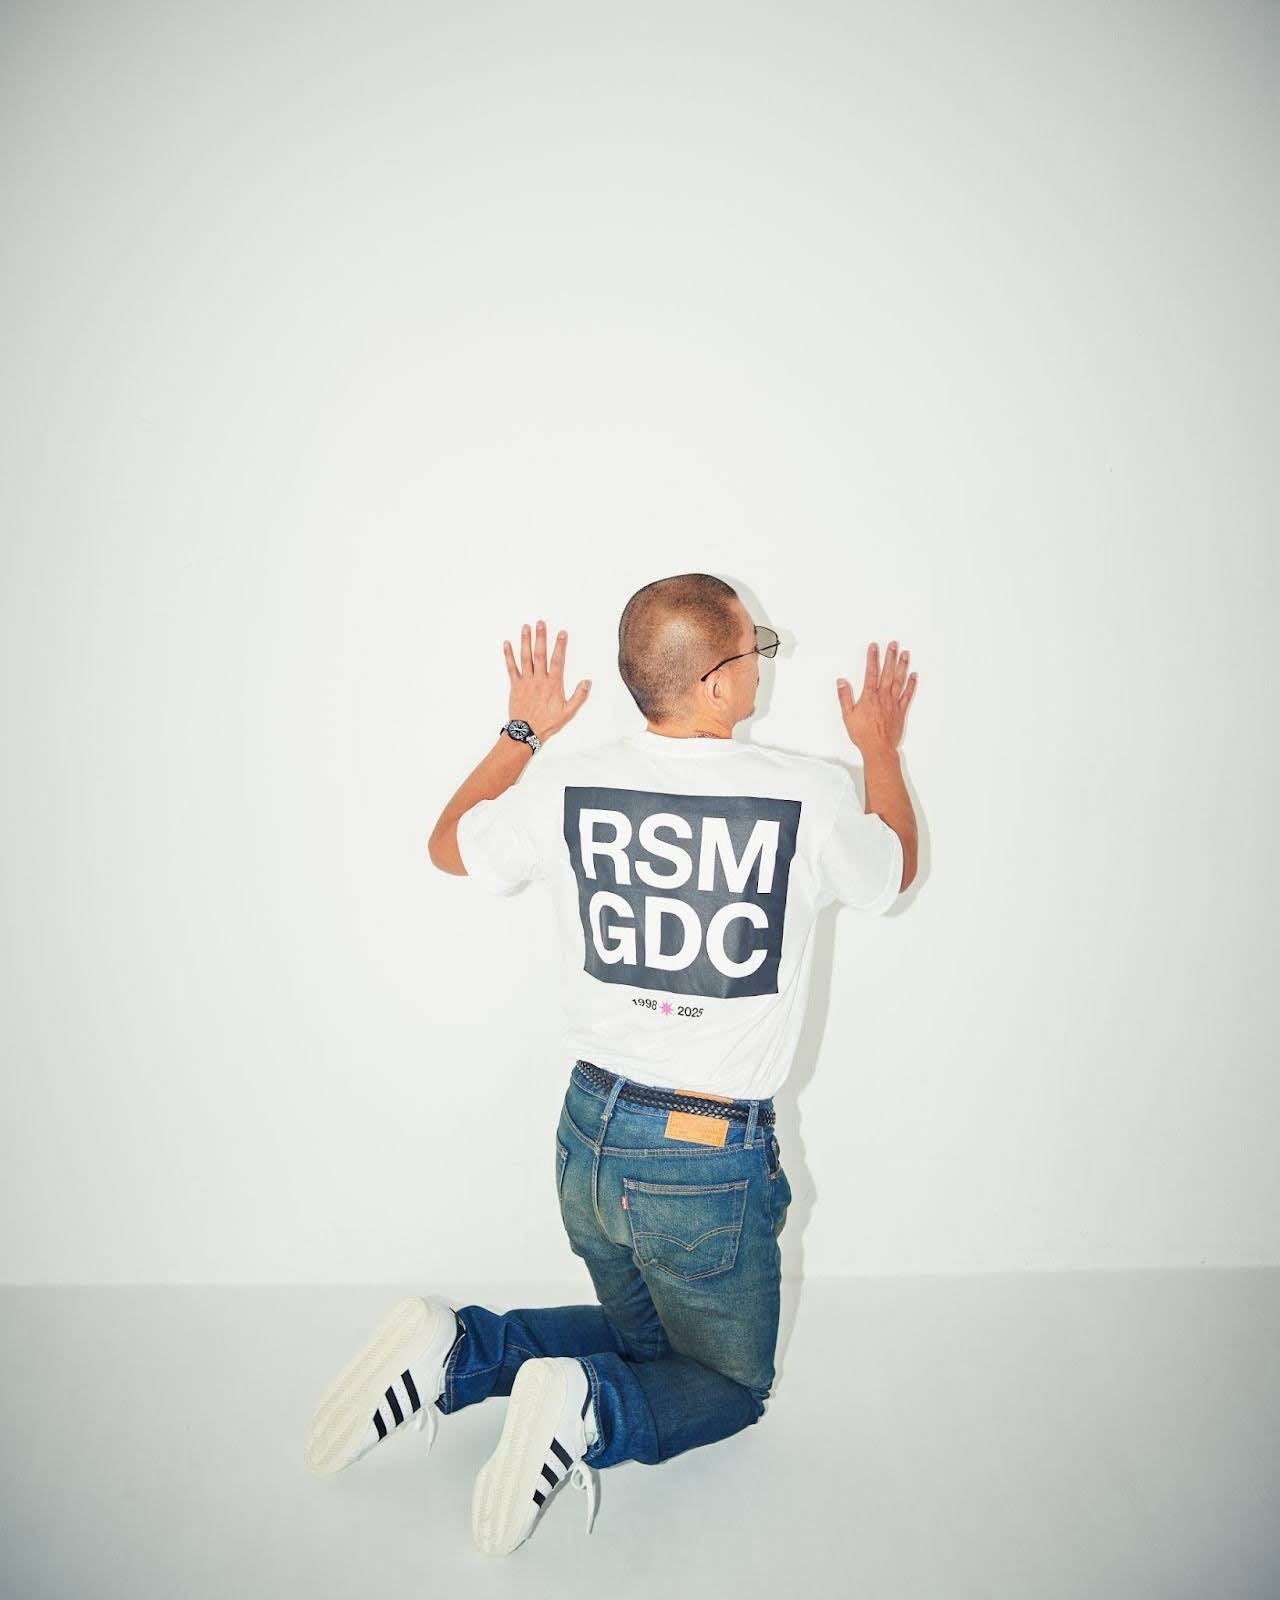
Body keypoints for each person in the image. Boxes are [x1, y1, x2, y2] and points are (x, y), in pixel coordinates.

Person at [303, 572, 919, 1557]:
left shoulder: (564, 782)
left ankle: (463, 1351)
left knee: (647, 1343)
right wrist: (878, 746)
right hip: (703, 1159)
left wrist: (522, 731)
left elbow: (448, 846)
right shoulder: (806, 791)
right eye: (753, 648)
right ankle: (590, 1410)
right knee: (726, 1383)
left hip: (586, 1134)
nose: (761, 665)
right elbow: (891, 871)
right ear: (715, 683)